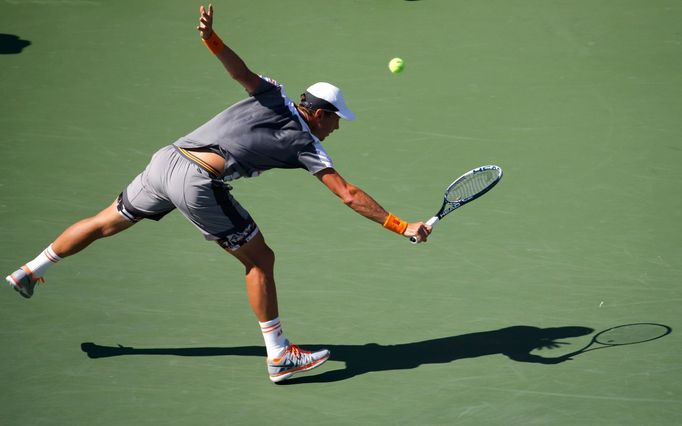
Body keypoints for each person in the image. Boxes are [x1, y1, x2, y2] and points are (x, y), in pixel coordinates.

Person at [5, 4, 432, 383]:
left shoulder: (274, 95)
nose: (337, 128)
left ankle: (29, 269)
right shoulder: (308, 145)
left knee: (104, 221)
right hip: (196, 181)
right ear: (319, 115)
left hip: (165, 161)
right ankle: (280, 355)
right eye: (336, 120)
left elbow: (239, 71)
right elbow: (349, 194)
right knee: (260, 260)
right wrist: (401, 226)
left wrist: (211, 38)